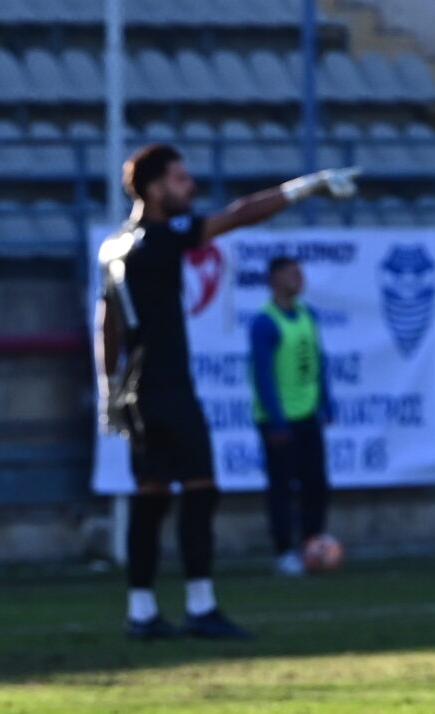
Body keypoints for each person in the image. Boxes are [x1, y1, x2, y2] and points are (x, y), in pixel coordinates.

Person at [96, 143, 360, 640]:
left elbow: (105, 325)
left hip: (135, 395)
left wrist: (108, 390)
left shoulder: (113, 247)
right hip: (169, 388)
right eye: (179, 179)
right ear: (154, 190)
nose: (189, 186)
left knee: (150, 500)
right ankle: (200, 605)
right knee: (201, 490)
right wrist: (305, 186)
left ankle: (141, 612)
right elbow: (238, 216)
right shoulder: (164, 235)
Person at [250, 254, 332, 577]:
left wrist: (326, 401)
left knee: (316, 484)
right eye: (290, 273)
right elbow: (263, 374)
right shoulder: (265, 321)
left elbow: (318, 361)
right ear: (274, 279)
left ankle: (312, 544)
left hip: (308, 413)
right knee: (282, 488)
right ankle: (284, 550)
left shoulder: (308, 315)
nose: (298, 278)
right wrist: (276, 419)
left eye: (300, 272)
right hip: (279, 419)